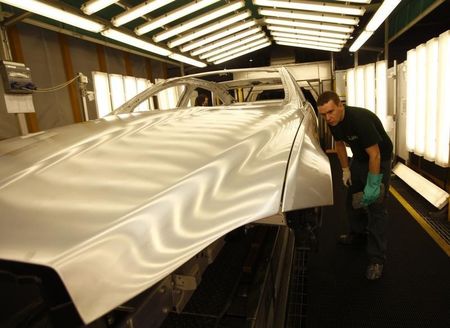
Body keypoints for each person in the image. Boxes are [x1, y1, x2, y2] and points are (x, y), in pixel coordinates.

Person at [317, 91, 393, 280]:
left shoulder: (359, 119)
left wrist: (374, 184)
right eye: (324, 114)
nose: (328, 118)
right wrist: (345, 170)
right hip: (359, 158)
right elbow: (340, 145)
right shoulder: (333, 122)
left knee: (376, 207)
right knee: (353, 199)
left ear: (340, 106)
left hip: (379, 158)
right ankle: (358, 233)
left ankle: (377, 259)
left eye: (331, 112)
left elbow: (375, 155)